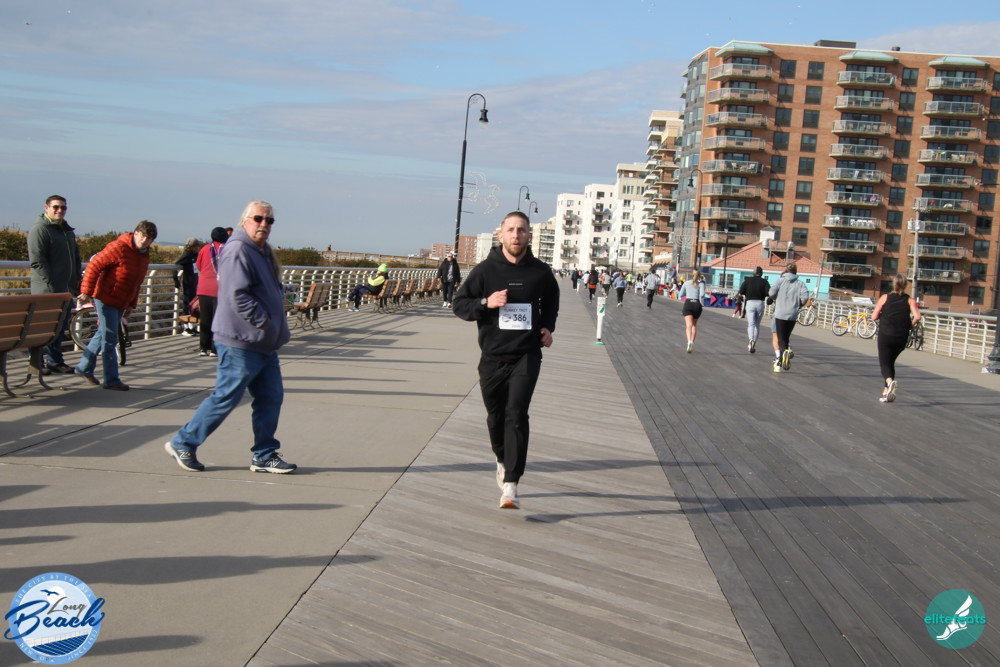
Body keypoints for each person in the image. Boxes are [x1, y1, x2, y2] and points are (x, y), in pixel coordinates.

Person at [165, 200, 296, 474]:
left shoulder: (262, 251)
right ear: (245, 220)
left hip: (263, 343)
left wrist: (275, 328)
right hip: (240, 341)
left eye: (269, 220)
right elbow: (237, 296)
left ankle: (264, 454)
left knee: (271, 397)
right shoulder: (238, 250)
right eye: (258, 218)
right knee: (226, 397)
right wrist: (266, 323)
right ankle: (183, 442)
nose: (264, 224)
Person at [453, 211, 559, 510]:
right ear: (501, 235)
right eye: (510, 230)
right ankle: (501, 459)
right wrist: (486, 302)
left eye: (521, 230)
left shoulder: (540, 272)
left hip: (526, 354)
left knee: (516, 413)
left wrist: (548, 327)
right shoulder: (485, 270)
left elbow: (551, 300)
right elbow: (460, 304)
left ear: (529, 235)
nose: (516, 235)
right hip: (492, 356)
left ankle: (512, 484)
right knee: (496, 417)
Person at [74, 220, 158, 390]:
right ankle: (111, 379)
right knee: (110, 338)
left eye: (149, 238)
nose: (144, 240)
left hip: (121, 300)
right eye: (142, 236)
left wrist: (131, 304)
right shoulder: (119, 247)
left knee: (102, 334)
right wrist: (86, 291)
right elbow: (94, 265)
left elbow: (137, 282)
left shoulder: (143, 255)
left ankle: (84, 367)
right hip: (105, 297)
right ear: (135, 233)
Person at [28, 194, 82, 375]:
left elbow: (75, 258)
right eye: (56, 207)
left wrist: (76, 281)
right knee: (42, 327)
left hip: (66, 290)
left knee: (59, 328)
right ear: (47, 208)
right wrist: (50, 285)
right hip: (47, 290)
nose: (60, 210)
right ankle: (37, 362)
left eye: (63, 207)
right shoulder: (40, 229)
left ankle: (55, 361)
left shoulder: (67, 231)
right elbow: (37, 261)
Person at [871, 274, 921, 403]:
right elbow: (917, 316)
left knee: (884, 363)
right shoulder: (910, 300)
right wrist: (911, 325)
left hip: (886, 335)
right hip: (901, 337)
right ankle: (886, 393)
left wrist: (882, 314)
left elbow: (874, 317)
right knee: (890, 362)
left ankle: (890, 382)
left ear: (894, 284)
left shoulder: (885, 298)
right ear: (905, 285)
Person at [768, 262, 809, 373]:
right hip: (792, 314)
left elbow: (771, 293)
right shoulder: (800, 284)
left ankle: (783, 355)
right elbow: (805, 297)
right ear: (796, 271)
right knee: (786, 337)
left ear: (786, 270)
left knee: (781, 338)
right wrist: (800, 304)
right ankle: (783, 356)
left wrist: (776, 298)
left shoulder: (779, 281)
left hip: (780, 313)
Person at [195, 227, 228, 356]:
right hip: (219, 289)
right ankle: (214, 349)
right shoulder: (227, 249)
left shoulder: (205, 249)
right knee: (217, 320)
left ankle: (203, 347)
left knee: (205, 319)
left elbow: (198, 265)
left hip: (203, 288)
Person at [739, 266, 771, 354]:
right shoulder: (764, 282)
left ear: (754, 272)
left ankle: (751, 339)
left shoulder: (748, 280)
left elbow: (741, 291)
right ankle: (754, 342)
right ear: (761, 273)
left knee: (751, 324)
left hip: (750, 303)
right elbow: (769, 293)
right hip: (760, 303)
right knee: (757, 325)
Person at [174, 237, 201, 335]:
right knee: (187, 306)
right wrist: (176, 280)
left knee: (194, 307)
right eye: (196, 246)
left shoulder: (196, 255)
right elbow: (175, 265)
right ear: (191, 247)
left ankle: (192, 327)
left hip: (194, 283)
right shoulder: (186, 255)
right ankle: (185, 328)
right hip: (188, 283)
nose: (197, 248)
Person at [677, 270, 706, 352]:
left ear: (691, 275)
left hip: (688, 303)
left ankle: (689, 341)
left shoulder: (686, 283)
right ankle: (692, 342)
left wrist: (688, 292)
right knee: (694, 325)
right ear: (699, 276)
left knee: (688, 325)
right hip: (697, 304)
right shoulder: (701, 284)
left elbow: (680, 294)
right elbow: (702, 295)